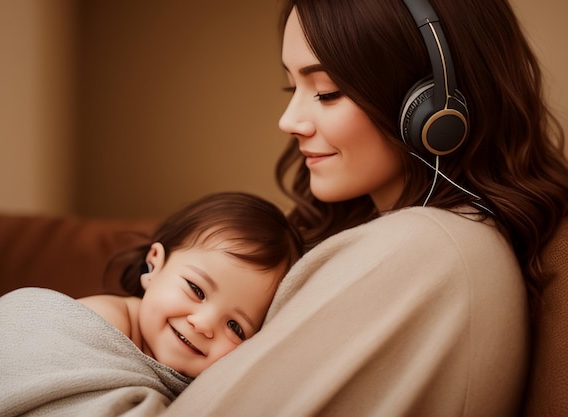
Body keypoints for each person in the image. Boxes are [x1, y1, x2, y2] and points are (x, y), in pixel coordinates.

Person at [161, 0, 568, 416]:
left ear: (433, 106)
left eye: (325, 91)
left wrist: (98, 325)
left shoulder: (424, 248)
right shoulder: (431, 239)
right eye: (292, 88)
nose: (289, 119)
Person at [77, 191, 303, 378]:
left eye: (235, 327)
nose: (204, 324)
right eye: (196, 290)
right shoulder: (100, 320)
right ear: (154, 265)